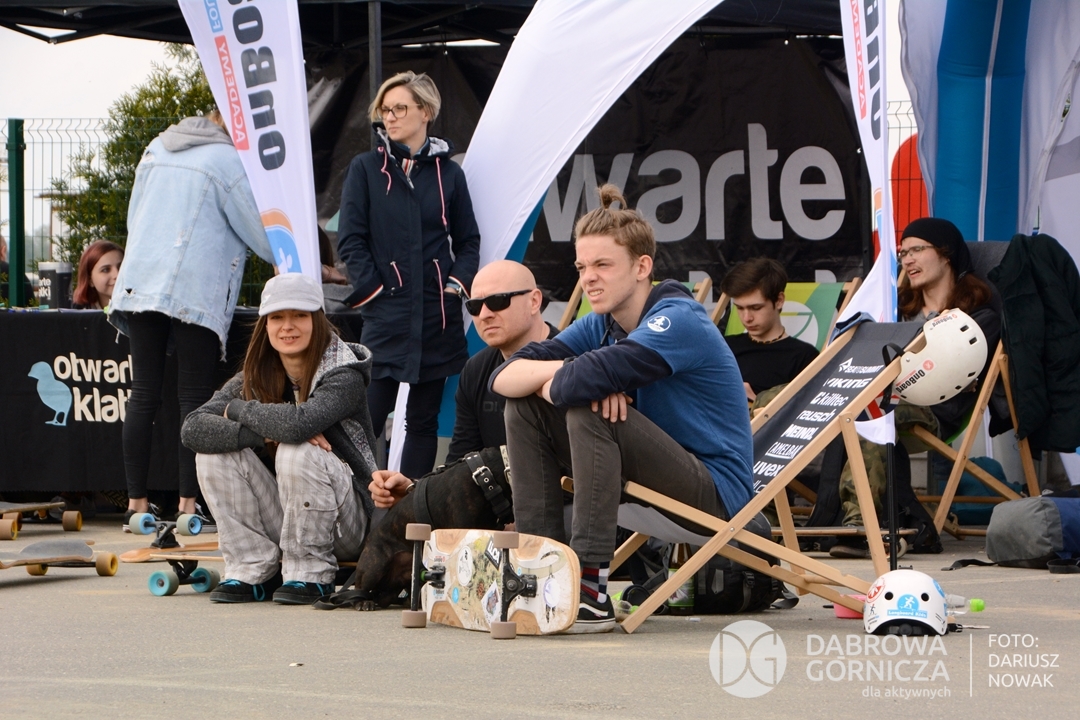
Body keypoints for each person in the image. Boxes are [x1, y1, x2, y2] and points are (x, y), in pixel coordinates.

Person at [490, 185, 753, 633]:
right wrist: (574, 377)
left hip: (716, 497)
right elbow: (503, 377)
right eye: (581, 267)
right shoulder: (600, 323)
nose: (588, 278)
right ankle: (542, 571)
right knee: (524, 408)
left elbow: (576, 384)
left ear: (641, 267)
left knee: (588, 409)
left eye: (603, 265)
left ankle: (590, 592)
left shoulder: (678, 319)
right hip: (651, 483)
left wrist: (578, 383)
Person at [109, 110, 275, 530]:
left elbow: (134, 218)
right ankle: (188, 504)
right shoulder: (227, 160)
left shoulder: (156, 147)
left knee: (143, 394)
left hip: (141, 281)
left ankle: (136, 503)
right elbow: (261, 234)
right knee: (194, 400)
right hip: (195, 287)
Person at [181, 273, 378, 604]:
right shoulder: (256, 375)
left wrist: (239, 409)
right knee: (214, 452)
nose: (288, 326)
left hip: (350, 527)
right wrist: (261, 435)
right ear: (266, 325)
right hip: (289, 520)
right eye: (277, 317)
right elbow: (193, 428)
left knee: (296, 448)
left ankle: (312, 575)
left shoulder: (344, 373)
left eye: (299, 315)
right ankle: (253, 569)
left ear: (317, 320)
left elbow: (298, 427)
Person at [336, 71, 481, 480]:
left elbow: (468, 241)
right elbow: (351, 240)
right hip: (386, 316)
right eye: (385, 110)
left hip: (437, 318)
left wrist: (453, 288)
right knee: (364, 420)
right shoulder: (366, 169)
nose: (391, 117)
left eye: (400, 108)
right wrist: (375, 291)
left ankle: (409, 509)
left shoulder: (450, 174)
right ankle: (357, 506)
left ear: (426, 111)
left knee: (422, 421)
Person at [831, 217, 1001, 558]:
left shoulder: (977, 317)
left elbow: (946, 375)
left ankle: (861, 525)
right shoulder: (894, 308)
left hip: (934, 408)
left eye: (917, 250)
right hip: (877, 394)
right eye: (903, 253)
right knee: (774, 402)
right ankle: (765, 516)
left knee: (867, 410)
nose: (907, 260)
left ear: (946, 254)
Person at [368, 259, 557, 509]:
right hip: (496, 512)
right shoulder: (475, 370)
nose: (485, 314)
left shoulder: (574, 361)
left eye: (498, 301)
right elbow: (460, 466)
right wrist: (414, 489)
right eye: (474, 306)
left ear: (534, 301)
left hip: (563, 508)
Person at [720, 257, 819, 401]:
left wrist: (756, 401)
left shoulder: (803, 357)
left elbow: (804, 409)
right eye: (740, 308)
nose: (747, 318)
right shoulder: (723, 346)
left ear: (779, 301)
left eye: (756, 308)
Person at [72, 240, 124, 310]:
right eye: (106, 270)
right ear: (90, 280)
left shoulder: (139, 309)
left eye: (121, 267)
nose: (117, 275)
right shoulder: (78, 312)